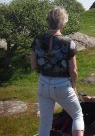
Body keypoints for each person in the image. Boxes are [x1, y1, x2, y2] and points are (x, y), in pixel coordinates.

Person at [31, 7, 84, 136]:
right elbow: (74, 71)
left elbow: (33, 66)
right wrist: (74, 87)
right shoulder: (69, 43)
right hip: (62, 85)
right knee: (77, 115)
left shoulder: (37, 40)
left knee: (45, 123)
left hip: (43, 84)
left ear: (48, 21)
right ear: (62, 23)